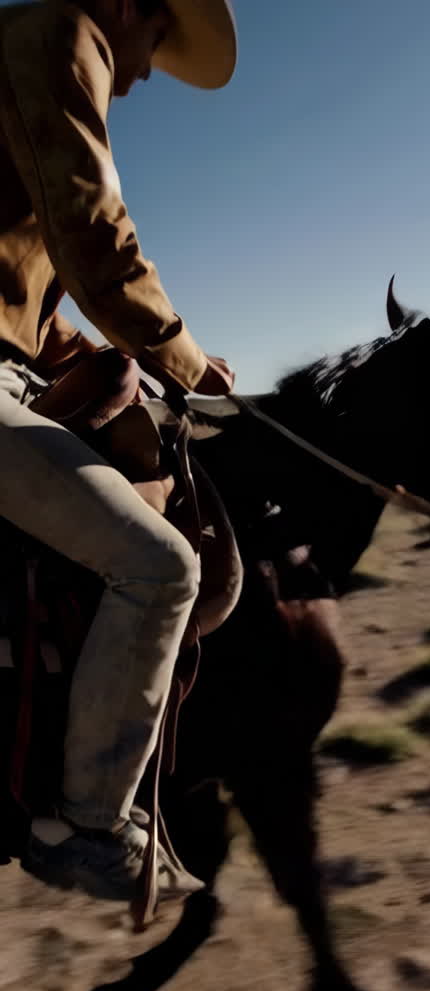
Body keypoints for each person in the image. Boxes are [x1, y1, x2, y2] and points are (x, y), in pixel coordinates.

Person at [0, 0, 238, 901]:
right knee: (161, 568)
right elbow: (94, 229)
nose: (141, 73)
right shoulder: (62, 35)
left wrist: (127, 354)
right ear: (133, 5)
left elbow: (32, 306)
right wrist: (178, 352)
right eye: (153, 46)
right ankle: (86, 822)